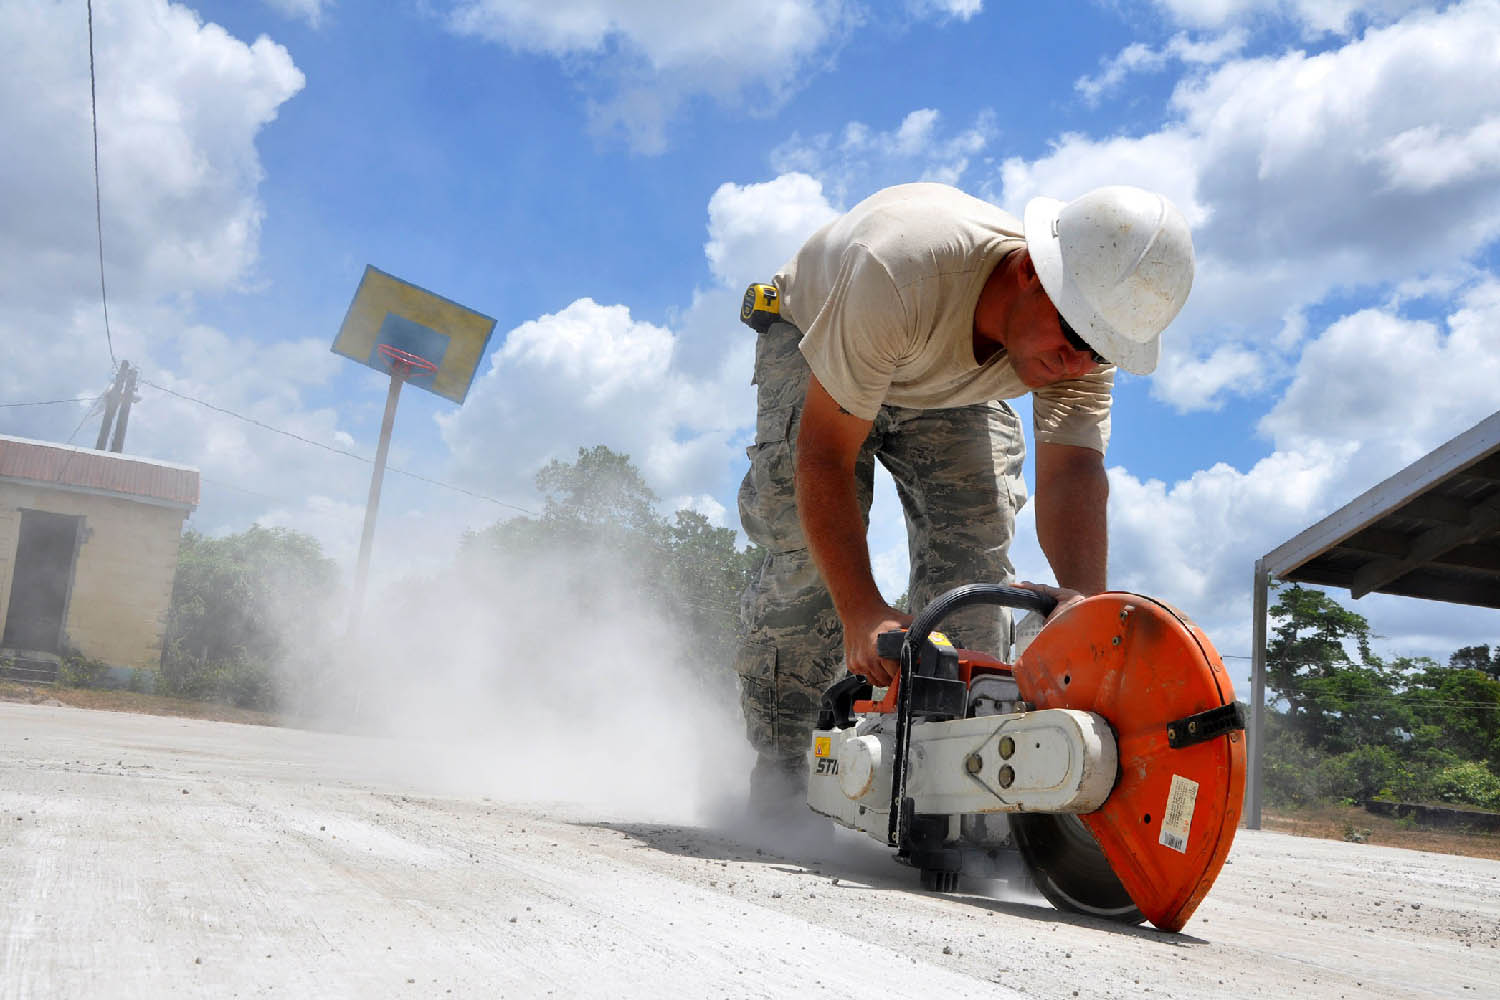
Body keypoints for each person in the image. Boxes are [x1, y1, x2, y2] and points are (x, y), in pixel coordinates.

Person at [733, 181, 1195, 814]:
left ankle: (947, 791)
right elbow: (823, 459)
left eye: (1100, 351)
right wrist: (864, 610)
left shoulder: (1083, 335)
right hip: (824, 334)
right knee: (813, 566)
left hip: (943, 375)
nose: (1079, 364)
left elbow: (1073, 474)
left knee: (974, 570)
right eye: (1074, 339)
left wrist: (1082, 610)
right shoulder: (898, 272)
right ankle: (784, 784)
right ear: (1033, 272)